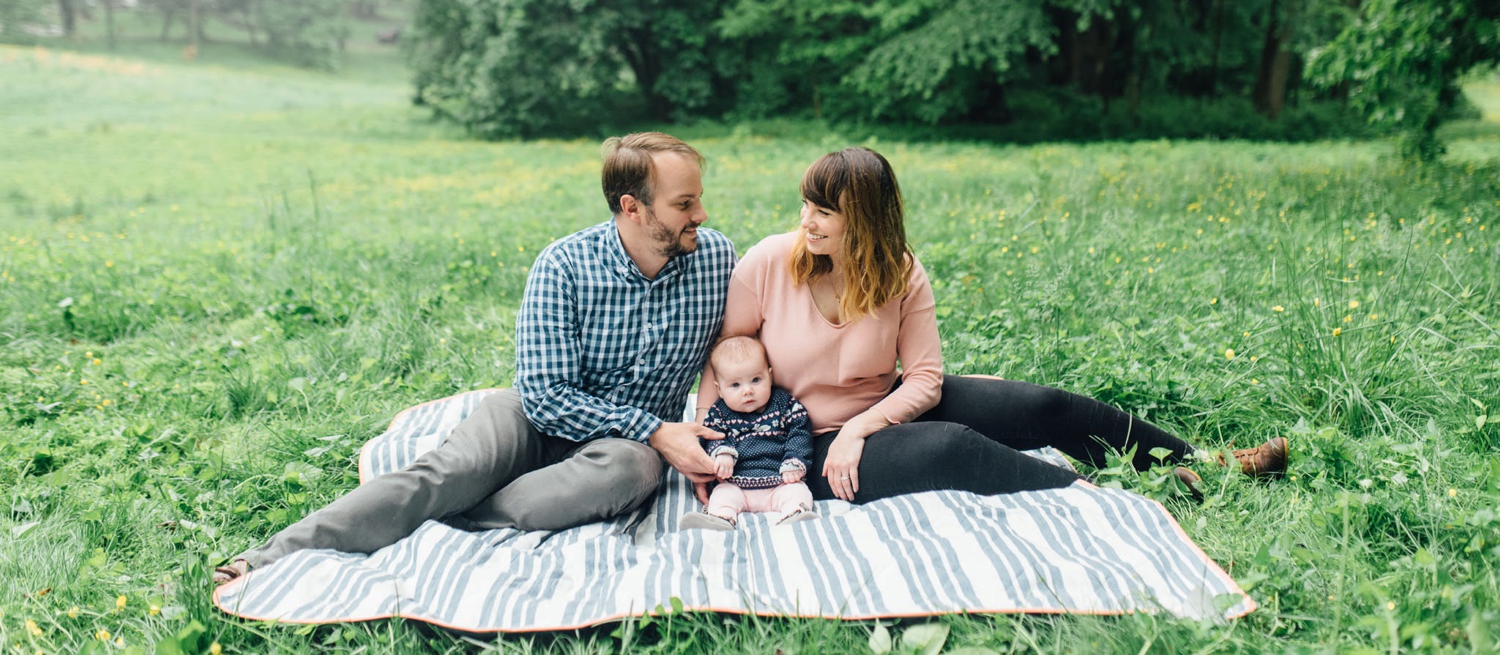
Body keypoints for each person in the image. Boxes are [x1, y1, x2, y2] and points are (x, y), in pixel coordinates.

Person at [213, 132, 737, 584]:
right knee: (449, 471)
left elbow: (740, 348)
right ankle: (266, 560)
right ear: (632, 207)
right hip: (535, 420)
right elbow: (545, 397)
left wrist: (663, 434)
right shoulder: (564, 264)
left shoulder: (716, 259)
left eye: (698, 200)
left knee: (632, 470)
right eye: (684, 203)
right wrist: (652, 427)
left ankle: (448, 517)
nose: (701, 215)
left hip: (619, 449)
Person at [698, 146, 1287, 507]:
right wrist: (709, 445)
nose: (806, 221)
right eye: (805, 205)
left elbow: (925, 379)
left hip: (879, 410)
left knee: (1044, 405)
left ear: (866, 220)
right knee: (953, 447)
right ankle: (1103, 500)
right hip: (799, 443)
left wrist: (863, 426)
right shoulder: (770, 262)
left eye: (823, 211)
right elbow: (725, 358)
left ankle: (1210, 461)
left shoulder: (900, 271)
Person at [679, 335, 816, 531]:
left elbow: (800, 432)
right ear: (719, 389)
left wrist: (795, 461)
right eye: (735, 385)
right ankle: (720, 519)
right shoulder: (719, 413)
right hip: (737, 484)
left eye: (756, 380)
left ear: (769, 376)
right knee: (722, 495)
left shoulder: (784, 404)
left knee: (798, 492)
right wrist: (722, 453)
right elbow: (710, 437)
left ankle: (795, 514)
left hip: (781, 480)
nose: (747, 391)